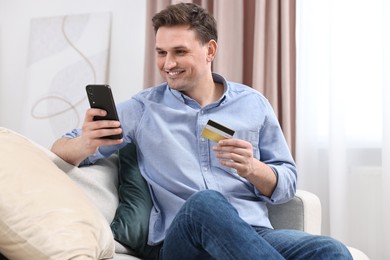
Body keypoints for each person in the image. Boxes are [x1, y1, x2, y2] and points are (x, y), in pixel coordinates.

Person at [51, 3, 352, 260]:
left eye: (179, 52)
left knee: (330, 250)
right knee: (206, 203)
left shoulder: (252, 104)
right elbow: (59, 148)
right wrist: (86, 143)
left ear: (210, 50)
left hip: (250, 233)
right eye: (161, 52)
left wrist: (253, 169)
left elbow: (286, 182)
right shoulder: (141, 109)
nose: (168, 64)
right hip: (182, 241)